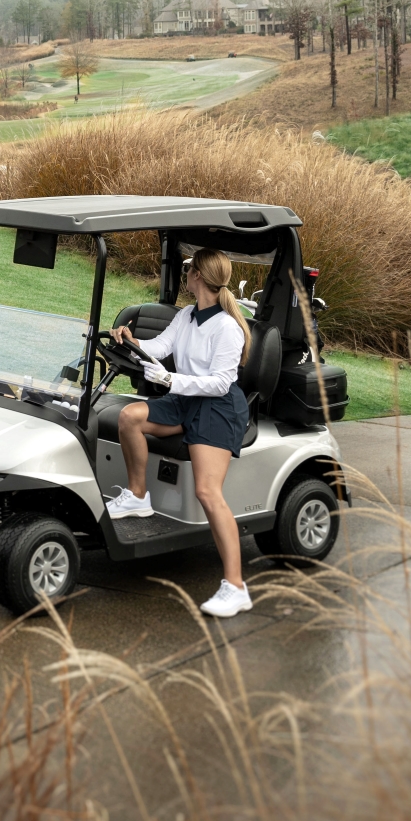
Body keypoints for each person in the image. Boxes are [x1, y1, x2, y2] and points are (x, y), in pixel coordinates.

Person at [101, 248, 256, 619]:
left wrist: (172, 379)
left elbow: (220, 384)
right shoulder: (187, 316)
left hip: (218, 408)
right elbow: (160, 348)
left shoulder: (228, 328)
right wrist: (131, 341)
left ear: (199, 276)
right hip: (185, 398)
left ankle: (235, 586)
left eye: (189, 269)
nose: (185, 273)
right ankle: (138, 496)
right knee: (130, 417)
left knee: (207, 491)